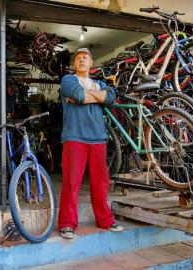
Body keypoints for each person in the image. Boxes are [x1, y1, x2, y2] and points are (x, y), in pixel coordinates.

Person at [58, 48, 124, 239]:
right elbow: (77, 94)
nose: (81, 60)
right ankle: (67, 224)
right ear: (74, 64)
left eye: (85, 58)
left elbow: (110, 97)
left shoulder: (100, 83)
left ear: (91, 62)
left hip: (98, 138)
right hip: (74, 137)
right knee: (71, 182)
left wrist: (87, 95)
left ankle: (105, 220)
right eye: (78, 58)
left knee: (100, 183)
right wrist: (97, 96)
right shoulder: (68, 80)